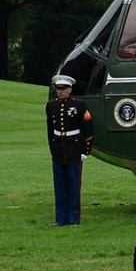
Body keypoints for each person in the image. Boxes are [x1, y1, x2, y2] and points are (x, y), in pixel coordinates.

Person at [45, 74, 94, 226]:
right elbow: (50, 130)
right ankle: (60, 219)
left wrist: (85, 150)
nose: (60, 92)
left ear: (70, 89)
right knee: (59, 185)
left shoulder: (79, 105)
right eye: (58, 89)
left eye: (63, 89)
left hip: (74, 147)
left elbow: (88, 129)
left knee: (73, 184)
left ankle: (73, 218)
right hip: (59, 147)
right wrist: (52, 148)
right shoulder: (51, 106)